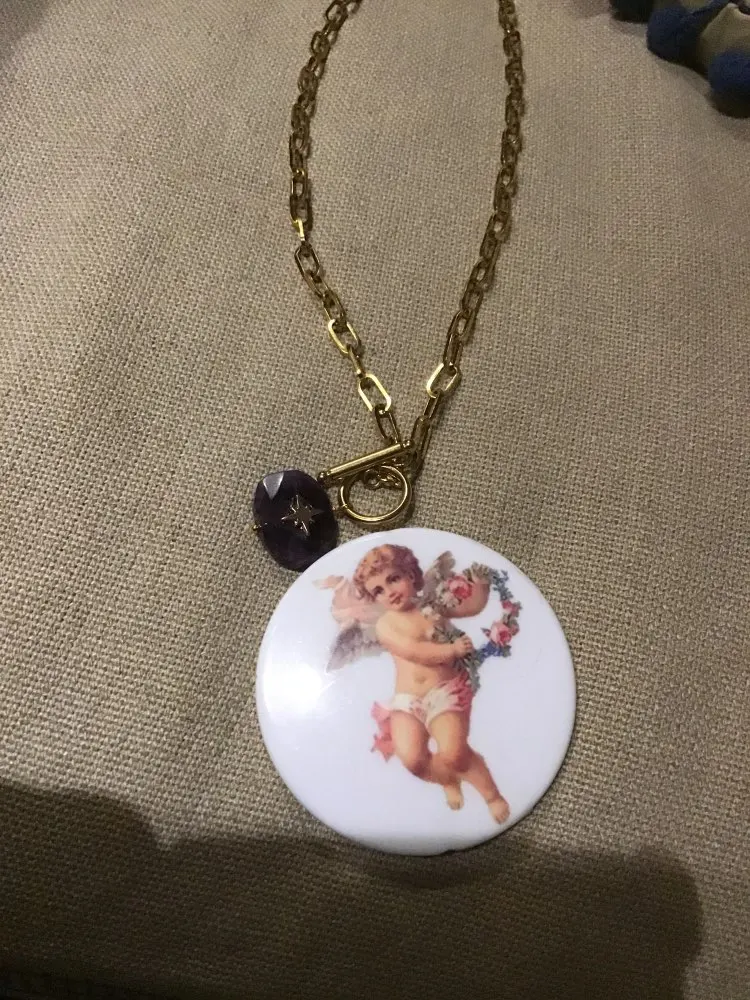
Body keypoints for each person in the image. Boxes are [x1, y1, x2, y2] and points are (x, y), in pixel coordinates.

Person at [354, 544, 510, 824]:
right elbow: (413, 651)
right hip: (407, 699)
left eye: (393, 579)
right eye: (378, 590)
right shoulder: (386, 625)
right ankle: (448, 779)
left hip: (445, 691)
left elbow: (470, 606)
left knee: (453, 752)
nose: (389, 591)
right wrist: (451, 651)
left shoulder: (433, 606)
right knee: (412, 759)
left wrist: (482, 583)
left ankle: (491, 795)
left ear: (410, 575)